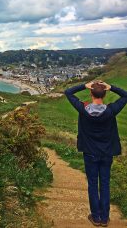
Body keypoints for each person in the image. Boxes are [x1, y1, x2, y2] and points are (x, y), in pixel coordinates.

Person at [64, 80, 127, 227]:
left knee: (92, 184)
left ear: (90, 93)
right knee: (104, 184)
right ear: (105, 94)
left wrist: (84, 85)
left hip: (90, 153)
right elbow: (125, 96)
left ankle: (96, 217)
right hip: (107, 153)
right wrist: (111, 87)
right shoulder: (111, 111)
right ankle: (105, 218)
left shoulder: (83, 109)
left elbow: (68, 92)